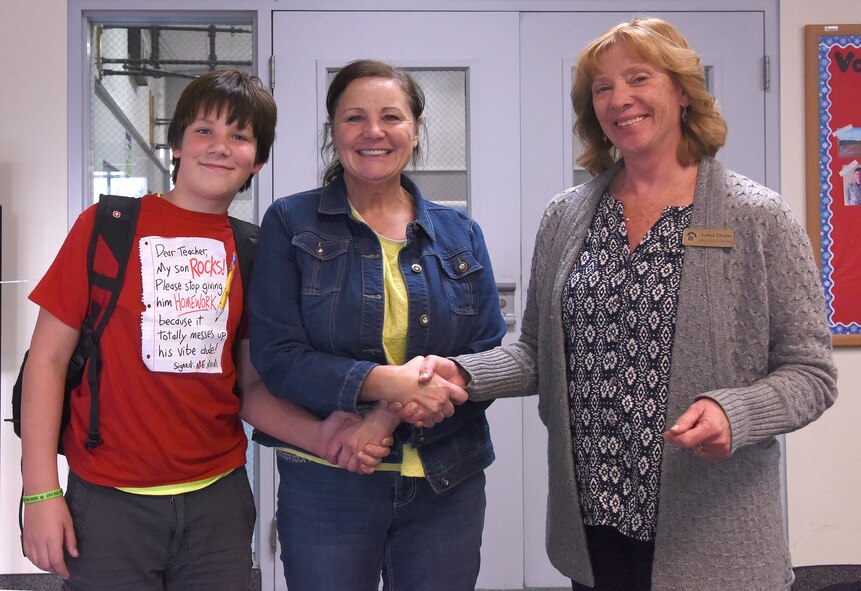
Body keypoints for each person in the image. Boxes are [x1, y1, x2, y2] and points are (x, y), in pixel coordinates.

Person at [417, 18, 838, 591]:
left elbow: (811, 372)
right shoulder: (566, 217)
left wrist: (734, 413)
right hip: (594, 527)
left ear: (683, 91)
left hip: (713, 535)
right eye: (602, 88)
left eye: (639, 78)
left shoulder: (757, 216)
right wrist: (464, 373)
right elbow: (538, 353)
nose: (619, 99)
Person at [21, 68, 389, 591]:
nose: (220, 147)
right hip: (106, 502)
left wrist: (321, 435)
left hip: (218, 504)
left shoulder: (256, 250)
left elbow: (250, 388)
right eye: (204, 130)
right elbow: (47, 361)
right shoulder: (105, 227)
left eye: (240, 136)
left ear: (257, 160)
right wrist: (39, 492)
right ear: (176, 144)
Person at [248, 59, 506, 591]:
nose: (373, 132)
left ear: (416, 129)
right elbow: (278, 357)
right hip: (328, 479)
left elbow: (487, 354)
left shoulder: (460, 232)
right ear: (333, 131)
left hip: (446, 480)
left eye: (391, 116)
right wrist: (388, 383)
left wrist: (385, 415)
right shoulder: (289, 222)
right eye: (354, 118)